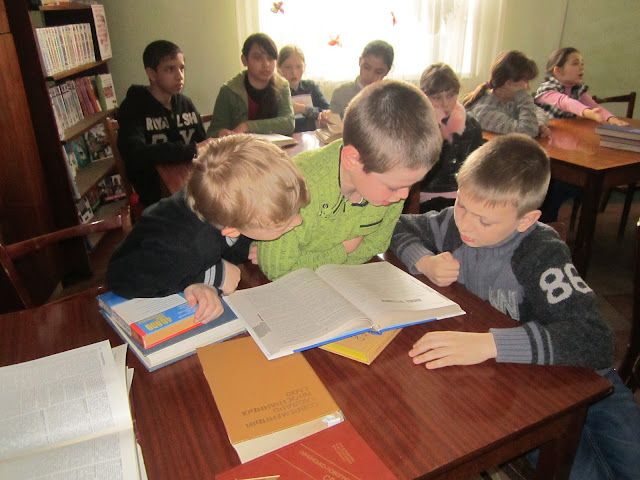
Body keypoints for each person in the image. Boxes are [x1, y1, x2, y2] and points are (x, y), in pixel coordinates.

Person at [390, 133, 640, 480]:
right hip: (526, 390)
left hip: (588, 380)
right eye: (462, 206)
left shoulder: (541, 252)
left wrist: (492, 343)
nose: (465, 224)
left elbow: (594, 341)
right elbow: (398, 226)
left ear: (526, 220)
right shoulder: (453, 225)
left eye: (484, 221)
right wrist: (424, 260)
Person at [106, 135, 309, 324]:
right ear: (232, 230)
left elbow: (232, 242)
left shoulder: (220, 206)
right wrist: (203, 277)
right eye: (282, 225)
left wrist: (251, 247)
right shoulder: (192, 247)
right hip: (136, 269)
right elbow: (119, 280)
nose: (298, 221)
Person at [256, 80, 442, 281]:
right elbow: (278, 270)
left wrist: (310, 259)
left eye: (411, 184)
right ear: (352, 160)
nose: (404, 195)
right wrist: (343, 249)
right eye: (393, 187)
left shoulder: (392, 187)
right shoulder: (296, 186)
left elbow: (376, 245)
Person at [117, 40, 208, 207]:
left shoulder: (185, 103)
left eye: (182, 68)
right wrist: (191, 150)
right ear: (152, 74)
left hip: (191, 186)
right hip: (155, 194)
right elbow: (135, 154)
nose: (180, 76)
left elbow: (202, 144)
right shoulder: (133, 107)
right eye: (170, 69)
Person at [418, 63, 484, 213]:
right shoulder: (417, 124)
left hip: (460, 196)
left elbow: (475, 172)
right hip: (425, 196)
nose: (445, 104)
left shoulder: (471, 125)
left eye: (451, 95)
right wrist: (436, 130)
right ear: (424, 96)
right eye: (436, 97)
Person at [207, 33, 294, 138]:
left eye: (270, 58)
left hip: (276, 147)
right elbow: (212, 133)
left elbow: (288, 123)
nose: (266, 64)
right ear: (244, 60)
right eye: (258, 58)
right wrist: (220, 133)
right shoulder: (229, 90)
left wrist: (247, 126)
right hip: (240, 147)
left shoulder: (282, 86)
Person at [462, 50, 549, 138]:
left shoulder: (510, 100)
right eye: (526, 81)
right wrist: (524, 97)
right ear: (509, 83)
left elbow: (537, 110)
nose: (528, 87)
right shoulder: (485, 111)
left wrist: (539, 123)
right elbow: (528, 132)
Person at [534, 47, 628, 126]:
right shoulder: (547, 89)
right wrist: (588, 113)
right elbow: (565, 102)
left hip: (564, 131)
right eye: (575, 63)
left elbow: (593, 106)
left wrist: (612, 119)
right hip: (543, 133)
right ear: (558, 70)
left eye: (582, 63)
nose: (581, 68)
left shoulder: (577, 88)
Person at [325, 39, 394, 120]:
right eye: (366, 68)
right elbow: (333, 125)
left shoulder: (391, 98)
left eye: (378, 72)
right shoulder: (341, 93)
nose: (370, 76)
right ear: (360, 61)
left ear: (387, 71)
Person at [277, 45, 330, 133]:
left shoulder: (311, 87)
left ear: (304, 67)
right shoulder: (276, 92)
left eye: (298, 67)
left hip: (314, 138)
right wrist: (314, 123)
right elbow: (282, 126)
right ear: (279, 68)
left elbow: (329, 112)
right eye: (288, 67)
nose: (294, 72)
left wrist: (303, 109)